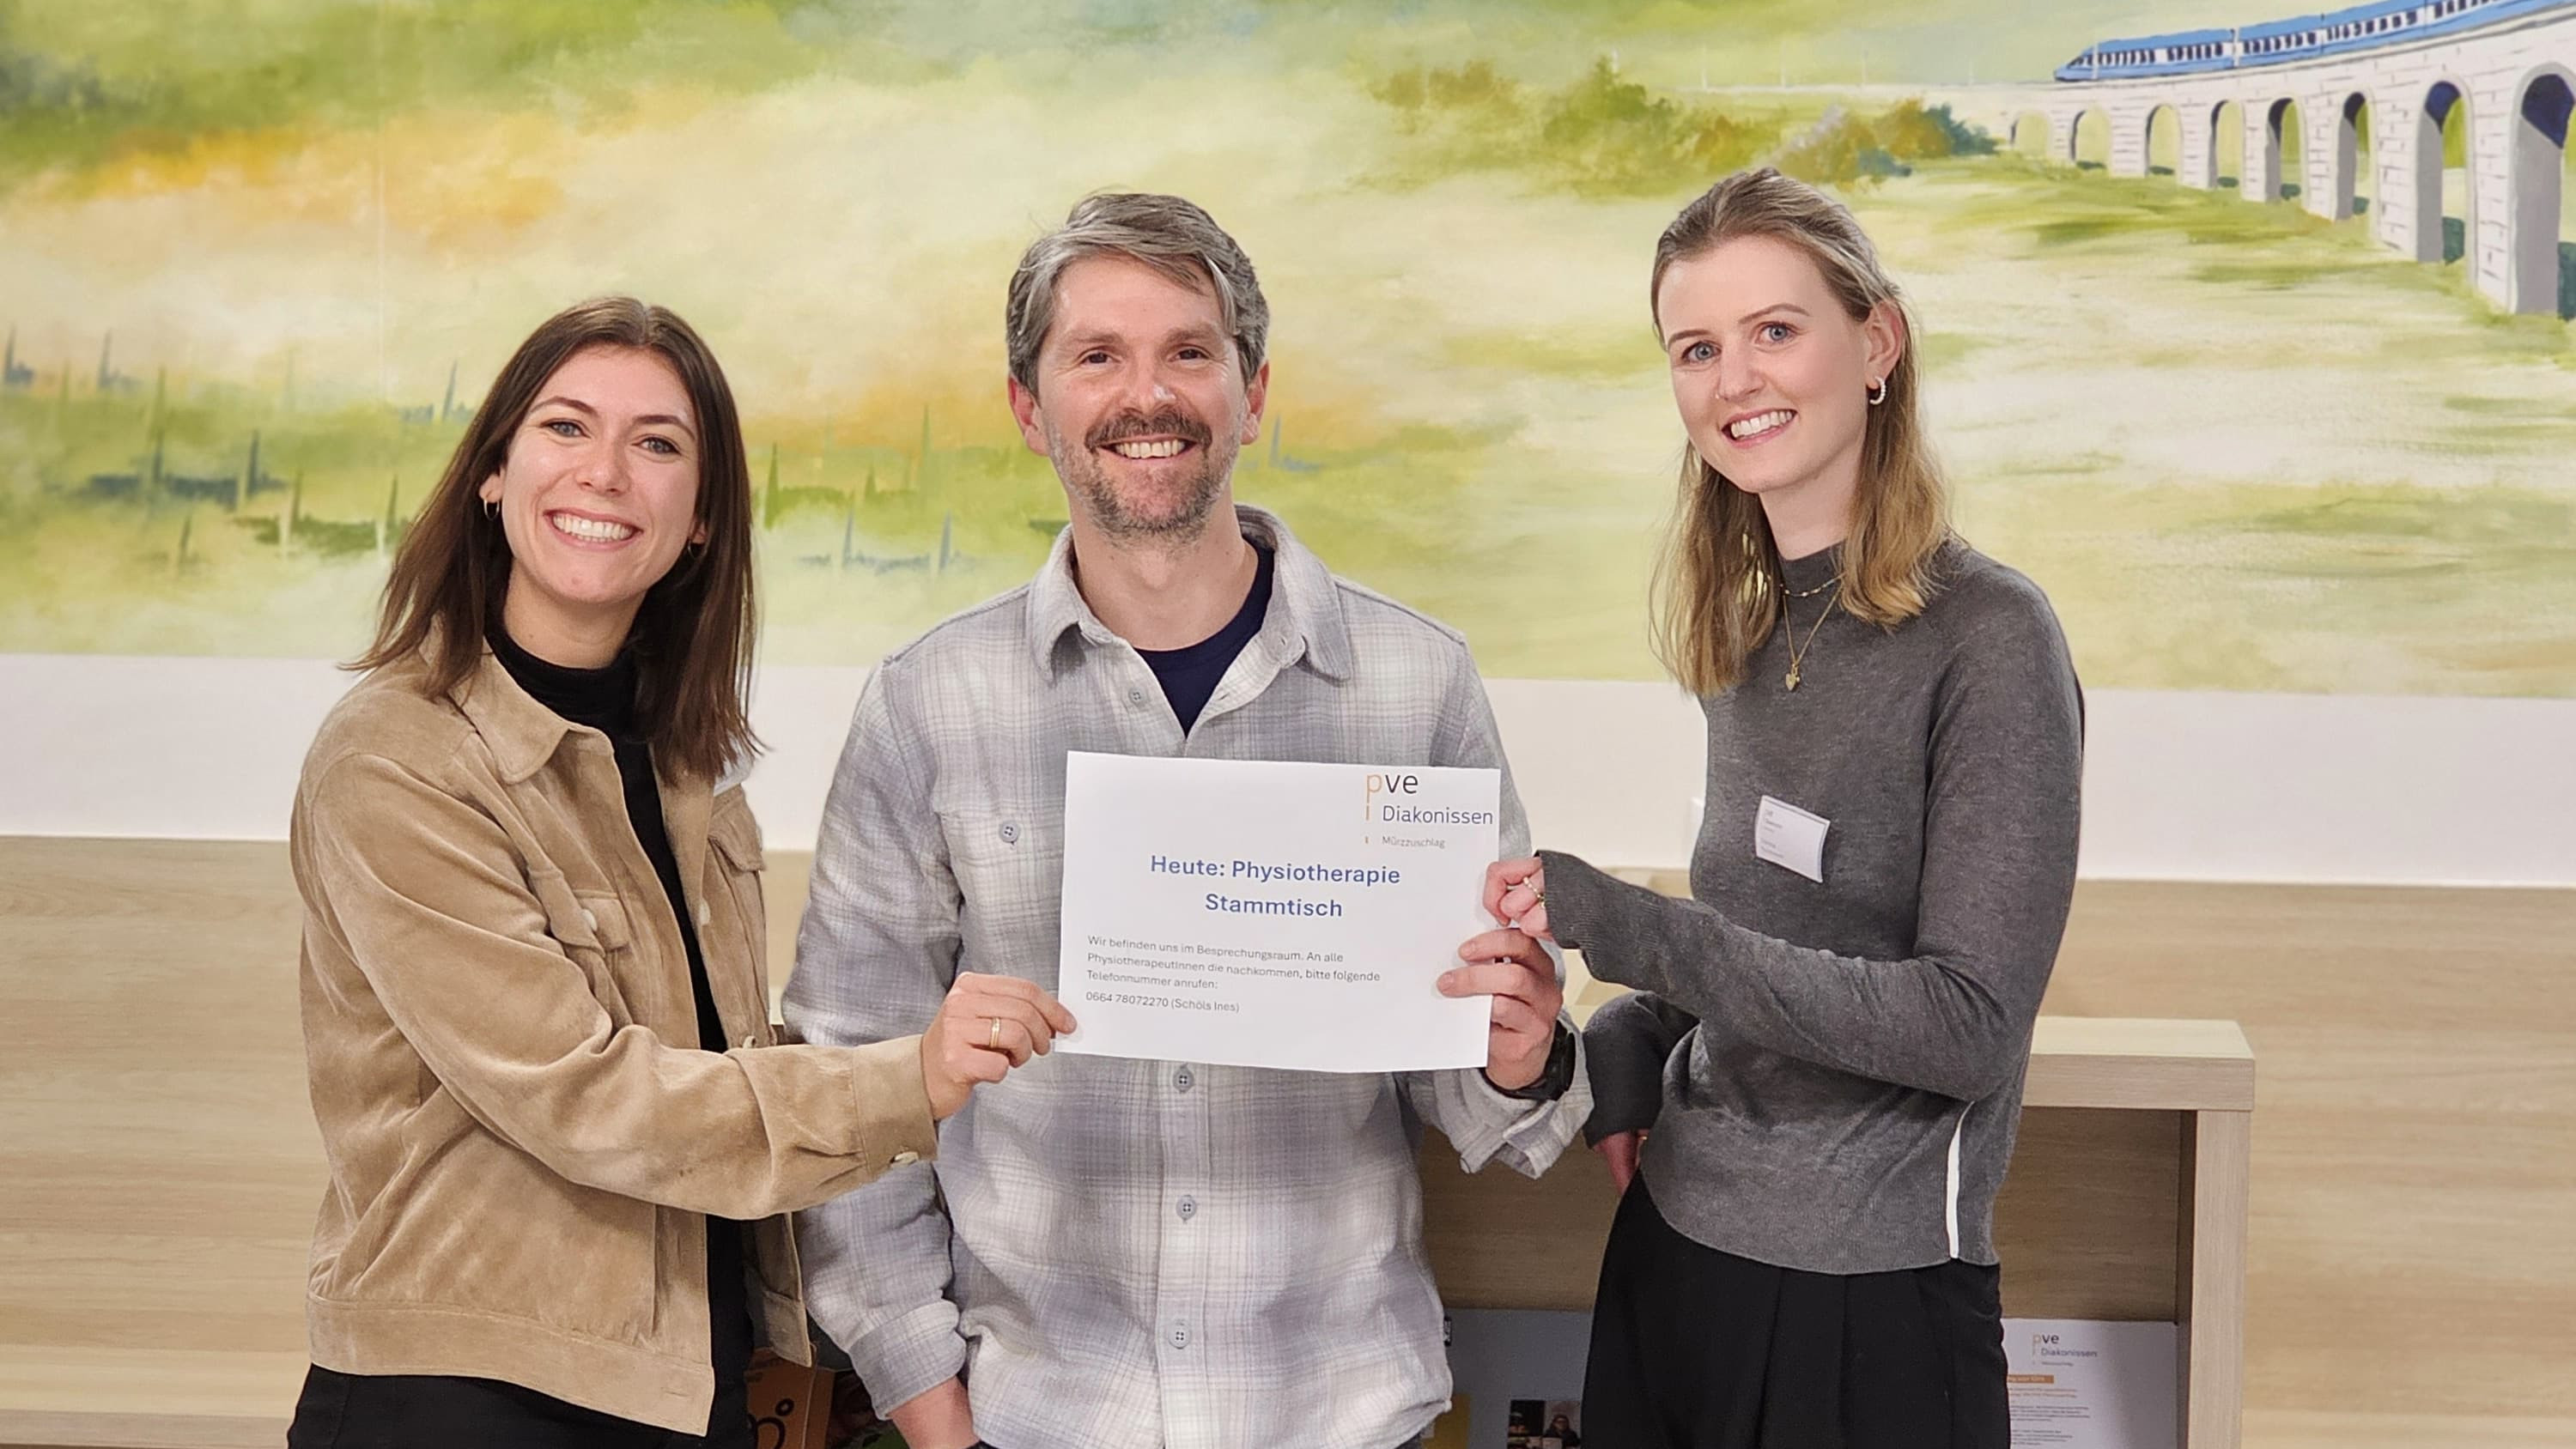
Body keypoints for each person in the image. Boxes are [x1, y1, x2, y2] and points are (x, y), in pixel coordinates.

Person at [786, 192, 1589, 1449]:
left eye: (1189, 352)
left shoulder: (1416, 683)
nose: (1144, 396)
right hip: (1030, 1416)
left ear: (1253, 395)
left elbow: (1483, 1100)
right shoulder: (928, 702)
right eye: (1096, 356)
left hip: (1339, 1413)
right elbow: (849, 1079)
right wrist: (932, 1415)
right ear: (1027, 406)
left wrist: (1520, 1050)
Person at [283, 296, 1068, 1447]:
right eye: (565, 428)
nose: (605, 474)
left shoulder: (688, 771)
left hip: (683, 1393)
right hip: (467, 1401)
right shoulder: (397, 756)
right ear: (493, 475)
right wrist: (913, 1079)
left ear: (700, 520)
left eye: (657, 445)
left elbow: (725, 1065)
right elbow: (588, 1099)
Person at [1483, 168, 2084, 1448]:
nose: (1734, 379)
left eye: (1775, 331)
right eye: (1696, 348)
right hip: (1674, 1262)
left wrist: (1629, 928)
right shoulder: (1753, 630)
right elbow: (1749, 956)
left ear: (1877, 341)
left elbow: (1967, 1026)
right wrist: (1604, 1056)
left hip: (1868, 1313)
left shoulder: (1992, 638)